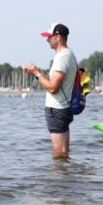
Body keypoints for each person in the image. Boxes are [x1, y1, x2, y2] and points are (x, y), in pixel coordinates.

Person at [23, 23, 77, 158]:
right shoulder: (67, 55)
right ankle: (65, 176)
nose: (47, 40)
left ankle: (58, 178)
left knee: (59, 153)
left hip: (57, 110)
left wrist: (37, 74)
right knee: (64, 152)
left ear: (58, 37)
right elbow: (54, 83)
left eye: (49, 37)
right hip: (62, 108)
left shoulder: (62, 57)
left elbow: (53, 88)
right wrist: (39, 73)